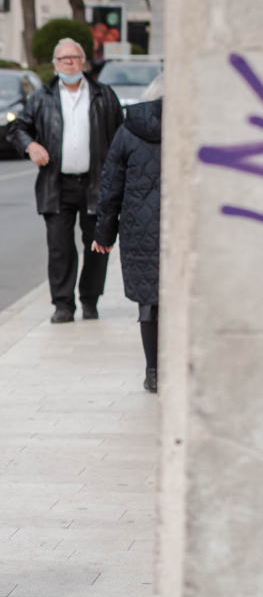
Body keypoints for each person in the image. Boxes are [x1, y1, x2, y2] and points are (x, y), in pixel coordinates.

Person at [9, 38, 124, 323]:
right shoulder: (41, 97)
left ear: (83, 62)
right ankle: (63, 305)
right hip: (56, 184)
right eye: (63, 58)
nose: (69, 63)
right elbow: (18, 128)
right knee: (60, 247)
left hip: (96, 184)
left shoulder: (103, 95)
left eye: (74, 57)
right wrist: (30, 145)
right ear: (55, 64)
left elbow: (120, 136)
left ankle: (90, 300)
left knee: (97, 244)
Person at [92, 74, 164, 393]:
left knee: (149, 301)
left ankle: (153, 372)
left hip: (140, 228)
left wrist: (104, 235)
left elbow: (111, 187)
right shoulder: (197, 125)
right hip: (185, 229)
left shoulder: (129, 129)